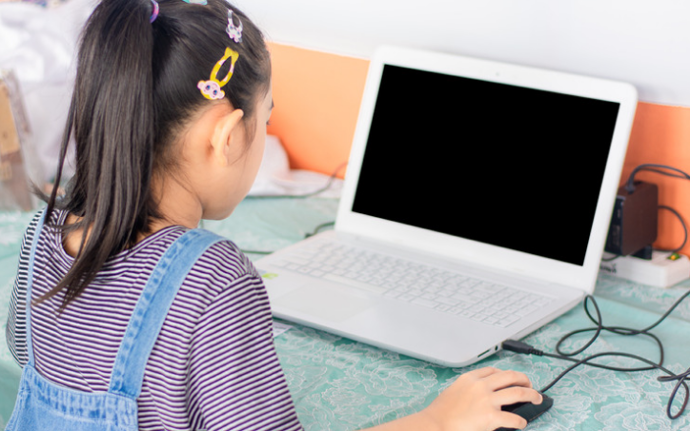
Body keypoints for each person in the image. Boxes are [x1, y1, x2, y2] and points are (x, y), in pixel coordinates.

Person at [4, 0, 543, 429]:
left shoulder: (42, 233)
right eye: (264, 121)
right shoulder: (213, 279)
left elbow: (31, 354)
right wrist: (437, 421)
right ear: (226, 135)